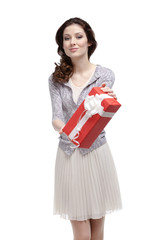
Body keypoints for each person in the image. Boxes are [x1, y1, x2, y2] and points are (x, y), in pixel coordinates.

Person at [48, 17, 122, 240]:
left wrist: (109, 102)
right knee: (80, 227)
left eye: (78, 37)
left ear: (89, 41)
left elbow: (100, 113)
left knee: (97, 228)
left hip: (97, 151)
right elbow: (56, 118)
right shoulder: (55, 79)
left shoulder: (105, 75)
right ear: (62, 46)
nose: (73, 42)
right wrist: (67, 130)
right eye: (67, 38)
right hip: (69, 154)